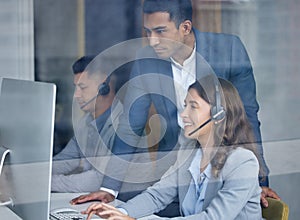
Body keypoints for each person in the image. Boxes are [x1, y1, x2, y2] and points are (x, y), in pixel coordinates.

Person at [71, 0, 279, 211]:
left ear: (185, 27)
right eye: (148, 31)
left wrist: (259, 181)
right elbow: (130, 127)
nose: (152, 41)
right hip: (173, 176)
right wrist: (109, 188)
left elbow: (248, 117)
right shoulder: (146, 60)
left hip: (222, 171)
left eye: (160, 31)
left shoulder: (229, 51)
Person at [83, 76, 264, 220]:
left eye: (193, 107)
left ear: (219, 115)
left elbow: (213, 217)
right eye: (185, 105)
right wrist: (118, 213)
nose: (184, 114)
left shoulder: (243, 162)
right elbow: (157, 196)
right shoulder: (190, 156)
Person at [52, 56, 134, 193]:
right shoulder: (86, 122)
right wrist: (35, 173)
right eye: (76, 88)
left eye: (82, 88)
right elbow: (66, 160)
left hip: (122, 202)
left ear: (104, 87)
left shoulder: (123, 125)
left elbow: (97, 181)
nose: (76, 95)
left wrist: (44, 183)